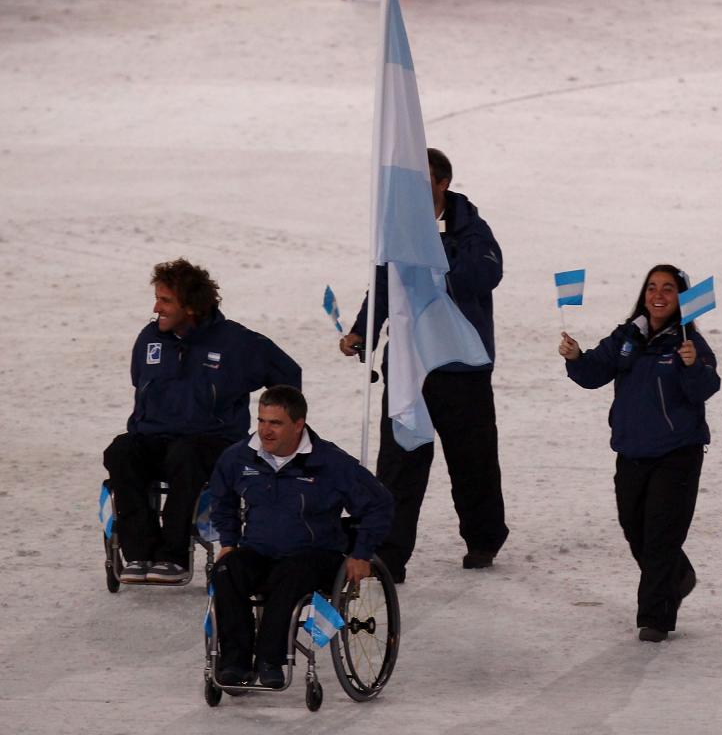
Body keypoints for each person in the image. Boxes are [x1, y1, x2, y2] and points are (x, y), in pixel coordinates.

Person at [340, 147, 508, 582]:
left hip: (460, 366)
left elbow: (485, 276)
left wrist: (434, 254)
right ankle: (389, 555)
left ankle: (483, 539)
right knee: (399, 462)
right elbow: (382, 286)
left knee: (472, 460)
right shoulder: (395, 231)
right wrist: (364, 331)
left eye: (422, 182)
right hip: (408, 366)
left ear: (442, 183)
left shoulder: (472, 229)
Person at [102, 259, 301, 584]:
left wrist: (277, 428)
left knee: (186, 454)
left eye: (165, 300)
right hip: (154, 440)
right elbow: (140, 381)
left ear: (191, 306)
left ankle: (173, 557)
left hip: (212, 444)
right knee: (121, 451)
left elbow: (288, 375)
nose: (156, 307)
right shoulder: (149, 339)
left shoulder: (236, 342)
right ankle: (139, 553)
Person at [559, 265, 721, 642]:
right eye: (651, 287)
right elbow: (593, 373)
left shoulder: (689, 344)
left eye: (668, 288)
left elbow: (705, 388)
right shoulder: (627, 336)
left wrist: (692, 364)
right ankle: (676, 577)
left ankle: (655, 617)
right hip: (631, 451)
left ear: (682, 299)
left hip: (677, 453)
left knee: (661, 536)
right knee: (635, 529)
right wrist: (575, 357)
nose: (658, 295)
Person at [207, 386, 393, 689]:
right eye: (262, 421)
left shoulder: (331, 463)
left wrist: (361, 553)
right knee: (226, 571)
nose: (265, 431)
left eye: (275, 423)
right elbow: (221, 496)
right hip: (260, 551)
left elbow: (379, 504)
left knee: (291, 573)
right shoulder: (239, 457)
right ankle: (234, 663)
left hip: (316, 555)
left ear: (298, 424)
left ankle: (270, 660)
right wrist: (229, 541)